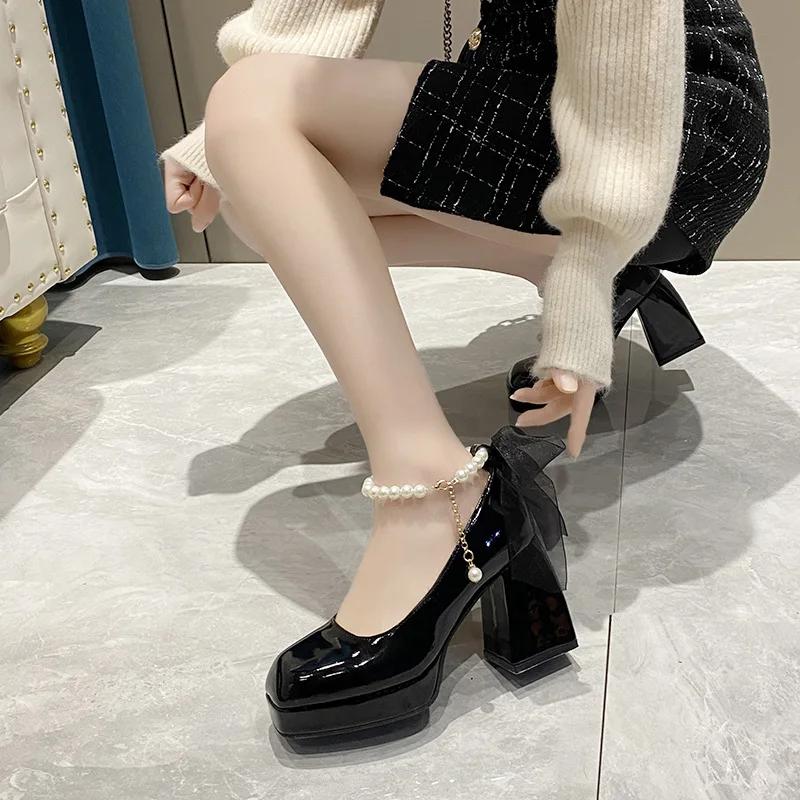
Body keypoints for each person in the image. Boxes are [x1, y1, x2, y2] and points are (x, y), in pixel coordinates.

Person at [160, 0, 770, 740]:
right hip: (538, 86)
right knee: (256, 190)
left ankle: (431, 493)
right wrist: (219, 142)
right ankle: (579, 269)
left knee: (256, 115)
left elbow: (626, 37)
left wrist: (587, 264)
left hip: (663, 112)